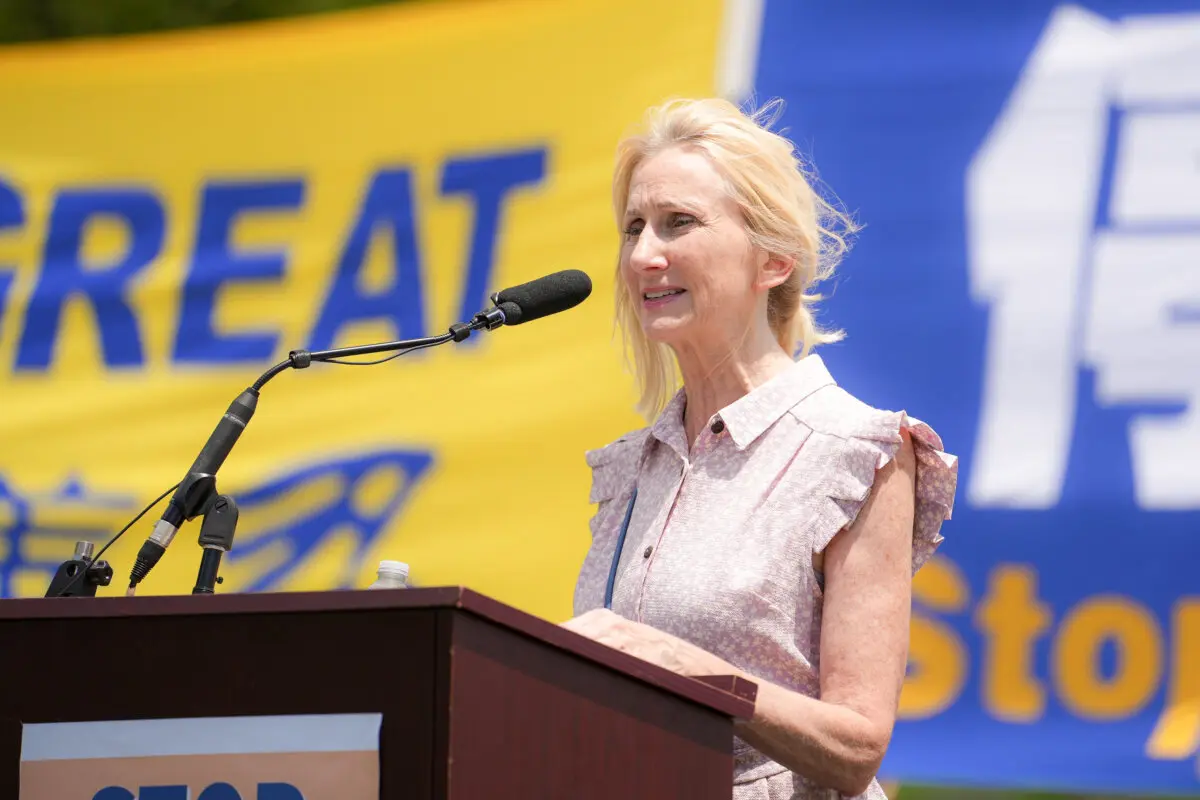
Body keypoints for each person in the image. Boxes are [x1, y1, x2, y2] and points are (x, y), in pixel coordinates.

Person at [562, 97, 958, 799]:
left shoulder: (853, 451)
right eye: (633, 228)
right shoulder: (631, 467)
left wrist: (679, 664)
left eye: (678, 223)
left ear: (773, 258)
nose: (644, 254)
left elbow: (856, 743)